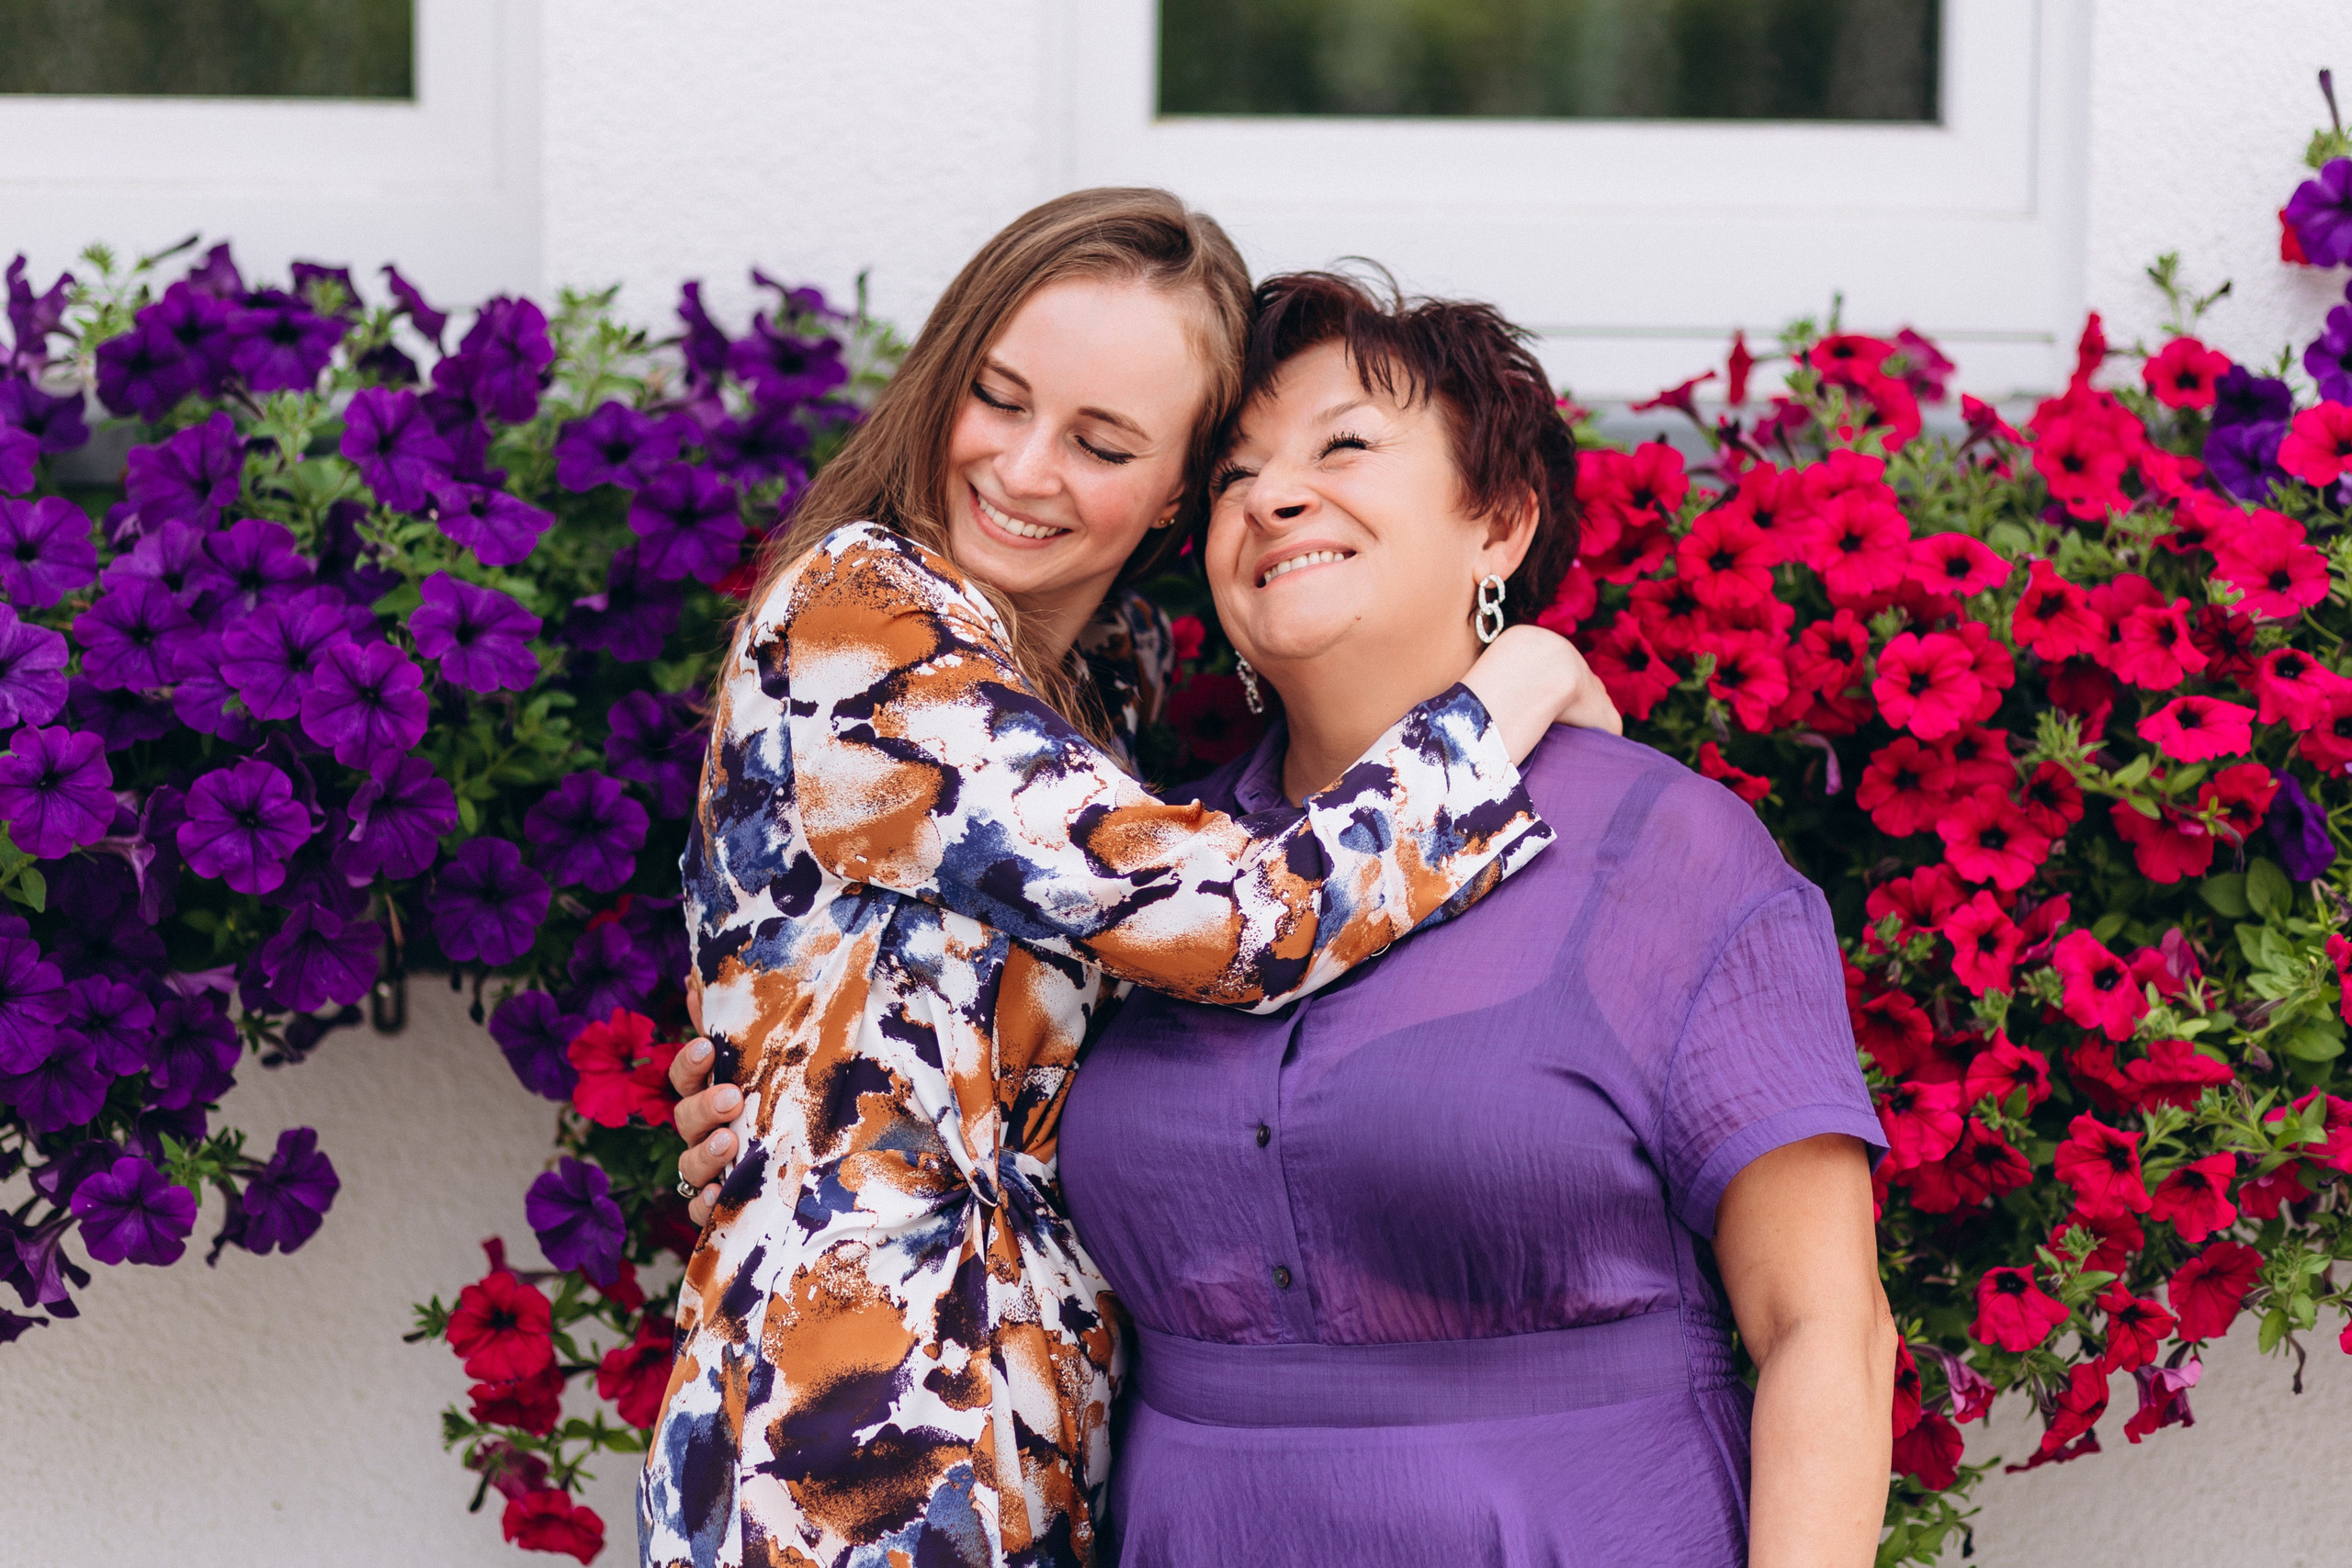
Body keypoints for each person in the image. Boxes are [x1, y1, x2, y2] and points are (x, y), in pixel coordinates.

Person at [639, 191, 1619, 1568]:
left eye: (1102, 443)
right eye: (997, 397)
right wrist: (1515, 685)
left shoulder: (1097, 688)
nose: (1026, 469)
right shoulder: (861, 618)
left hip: (1026, 1438)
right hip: (855, 1456)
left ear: (1174, 492)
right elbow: (1232, 922)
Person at [1048, 274, 1895, 1565]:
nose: (1274, 495)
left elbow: (1825, 1328)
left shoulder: (1666, 852)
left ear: (1497, 523)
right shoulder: (1150, 873)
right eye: (1233, 474)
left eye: (1343, 446)